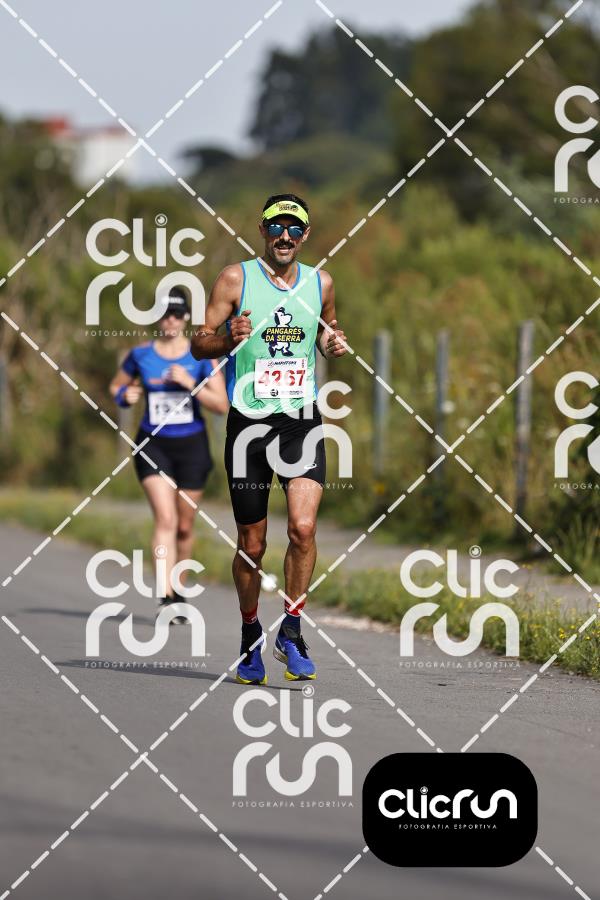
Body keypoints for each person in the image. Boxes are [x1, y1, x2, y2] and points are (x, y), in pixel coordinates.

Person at [192, 193, 347, 682]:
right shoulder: (235, 279)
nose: (285, 236)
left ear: (305, 235)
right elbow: (198, 341)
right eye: (276, 227)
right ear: (262, 230)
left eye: (294, 228)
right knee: (252, 545)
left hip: (300, 420)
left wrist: (331, 342)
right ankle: (250, 635)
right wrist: (227, 338)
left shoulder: (320, 282)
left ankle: (292, 631)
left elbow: (326, 328)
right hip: (249, 426)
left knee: (303, 528)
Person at [110, 287, 228, 622]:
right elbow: (117, 386)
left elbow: (221, 404)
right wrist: (124, 397)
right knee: (165, 518)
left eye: (177, 314)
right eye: (165, 314)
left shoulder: (200, 355)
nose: (171, 320)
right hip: (153, 445)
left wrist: (191, 383)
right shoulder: (140, 355)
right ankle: (165, 596)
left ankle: (178, 589)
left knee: (184, 527)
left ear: (186, 318)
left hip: (192, 446)